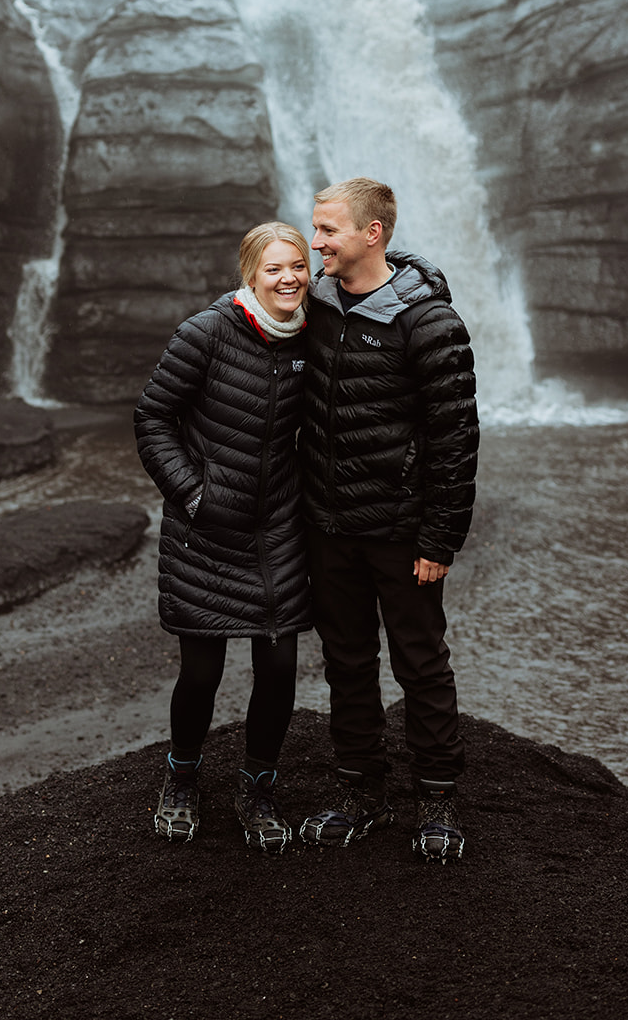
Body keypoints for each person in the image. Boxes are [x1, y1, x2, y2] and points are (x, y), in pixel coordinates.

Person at [297, 177, 478, 863]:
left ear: (372, 233)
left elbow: (454, 436)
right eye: (313, 230)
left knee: (419, 663)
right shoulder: (312, 303)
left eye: (328, 231)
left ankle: (435, 797)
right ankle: (360, 790)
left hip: (402, 532)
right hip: (328, 525)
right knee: (345, 662)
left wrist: (440, 536)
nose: (315, 243)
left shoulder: (429, 322)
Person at [134, 221, 313, 854]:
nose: (289, 277)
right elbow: (153, 416)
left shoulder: (315, 331)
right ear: (249, 274)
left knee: (280, 667)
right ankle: (182, 777)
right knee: (202, 670)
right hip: (207, 528)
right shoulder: (205, 332)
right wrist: (193, 494)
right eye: (274, 268)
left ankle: (258, 786)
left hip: (279, 531)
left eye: (299, 265)